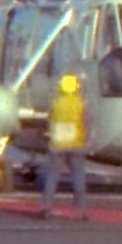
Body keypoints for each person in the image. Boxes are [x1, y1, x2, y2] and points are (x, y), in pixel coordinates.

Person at [39, 72, 90, 218]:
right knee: (78, 177)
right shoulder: (82, 103)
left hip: (57, 143)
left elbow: (49, 121)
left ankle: (46, 208)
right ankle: (82, 211)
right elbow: (86, 123)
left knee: (52, 176)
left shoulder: (55, 103)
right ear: (77, 87)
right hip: (76, 144)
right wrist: (86, 140)